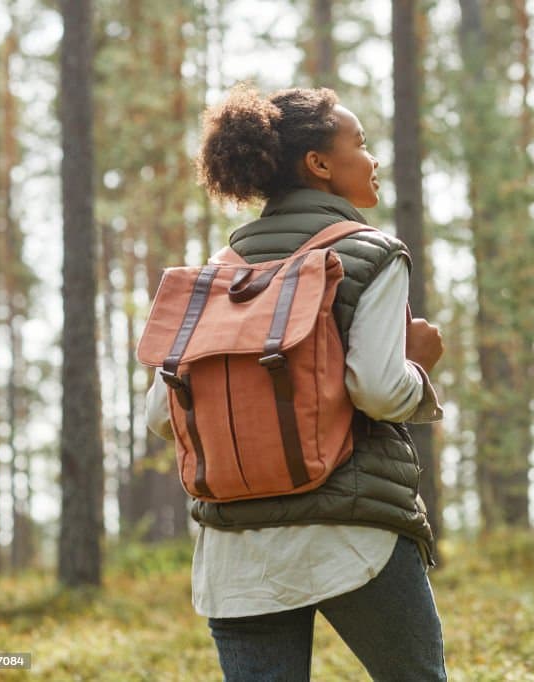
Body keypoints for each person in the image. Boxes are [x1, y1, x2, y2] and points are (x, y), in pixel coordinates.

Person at [145, 84, 447, 681]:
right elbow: (380, 392)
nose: (372, 158)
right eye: (359, 144)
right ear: (319, 164)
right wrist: (420, 365)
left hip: (237, 553)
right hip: (352, 534)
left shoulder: (216, 275)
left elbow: (161, 414)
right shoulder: (370, 253)